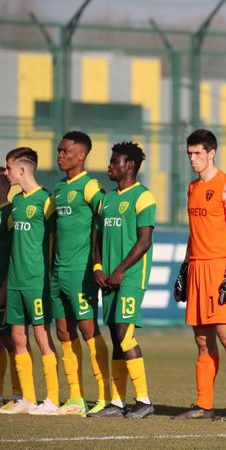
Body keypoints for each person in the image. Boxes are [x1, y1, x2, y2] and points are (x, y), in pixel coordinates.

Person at [172, 129, 226, 421]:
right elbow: (195, 234)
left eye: (198, 153)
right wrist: (184, 268)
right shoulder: (191, 188)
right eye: (189, 154)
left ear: (212, 153)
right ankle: (204, 404)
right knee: (202, 340)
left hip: (220, 268)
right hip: (196, 267)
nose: (193, 159)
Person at [88, 141, 155, 419]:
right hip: (109, 279)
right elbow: (98, 239)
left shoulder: (143, 197)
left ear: (130, 166)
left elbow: (144, 241)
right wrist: (99, 268)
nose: (109, 166)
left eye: (114, 162)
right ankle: (116, 402)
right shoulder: (107, 199)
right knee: (117, 337)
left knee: (125, 334)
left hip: (130, 278)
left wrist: (120, 270)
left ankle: (144, 400)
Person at [51, 131, 111, 416]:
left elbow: (108, 221)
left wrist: (98, 263)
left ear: (81, 155)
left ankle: (104, 395)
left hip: (81, 272)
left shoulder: (89, 187)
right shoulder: (59, 189)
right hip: (57, 272)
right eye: (59, 150)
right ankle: (75, 396)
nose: (59, 155)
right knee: (63, 331)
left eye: (65, 151)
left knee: (88, 330)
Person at [2, 148, 59, 415]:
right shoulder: (17, 203)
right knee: (17, 337)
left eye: (8, 168)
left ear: (22, 170)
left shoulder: (47, 201)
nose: (6, 173)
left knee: (41, 336)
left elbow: (59, 238)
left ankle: (53, 399)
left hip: (37, 281)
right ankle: (26, 398)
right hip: (15, 281)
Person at [0, 168, 23, 411]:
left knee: (11, 340)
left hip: (6, 286)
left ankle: (19, 394)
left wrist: (7, 284)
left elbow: (16, 252)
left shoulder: (10, 213)